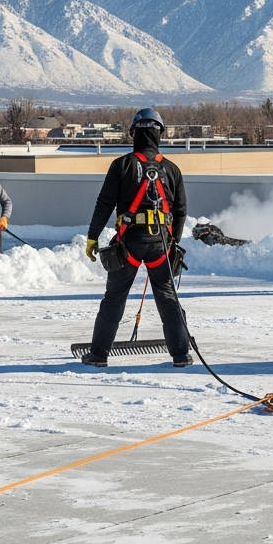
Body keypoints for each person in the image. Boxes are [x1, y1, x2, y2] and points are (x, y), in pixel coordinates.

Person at [81, 108, 192, 368]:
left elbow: (104, 204)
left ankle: (98, 355)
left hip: (128, 243)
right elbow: (180, 211)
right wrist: (173, 241)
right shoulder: (172, 170)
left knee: (115, 298)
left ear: (135, 133)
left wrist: (92, 237)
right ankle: (180, 354)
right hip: (160, 245)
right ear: (159, 134)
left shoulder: (122, 165)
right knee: (167, 296)